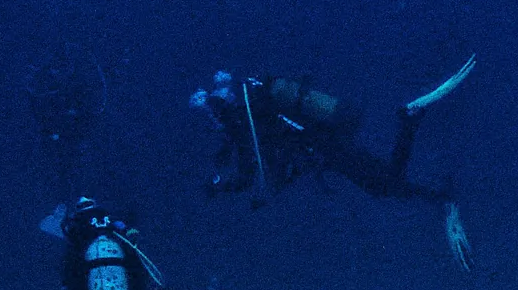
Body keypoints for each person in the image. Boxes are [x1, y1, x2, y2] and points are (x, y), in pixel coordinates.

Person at [191, 56, 476, 269]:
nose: (214, 124)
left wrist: (218, 187)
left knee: (384, 185)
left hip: (325, 146)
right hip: (326, 144)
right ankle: (440, 194)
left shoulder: (245, 124)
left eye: (213, 118)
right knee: (385, 185)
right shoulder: (252, 114)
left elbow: (246, 176)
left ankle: (410, 121)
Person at [25, 47, 104, 193]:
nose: (57, 73)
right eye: (55, 70)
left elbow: (92, 107)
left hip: (74, 129)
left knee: (73, 163)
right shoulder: (44, 83)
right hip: (56, 130)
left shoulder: (79, 82)